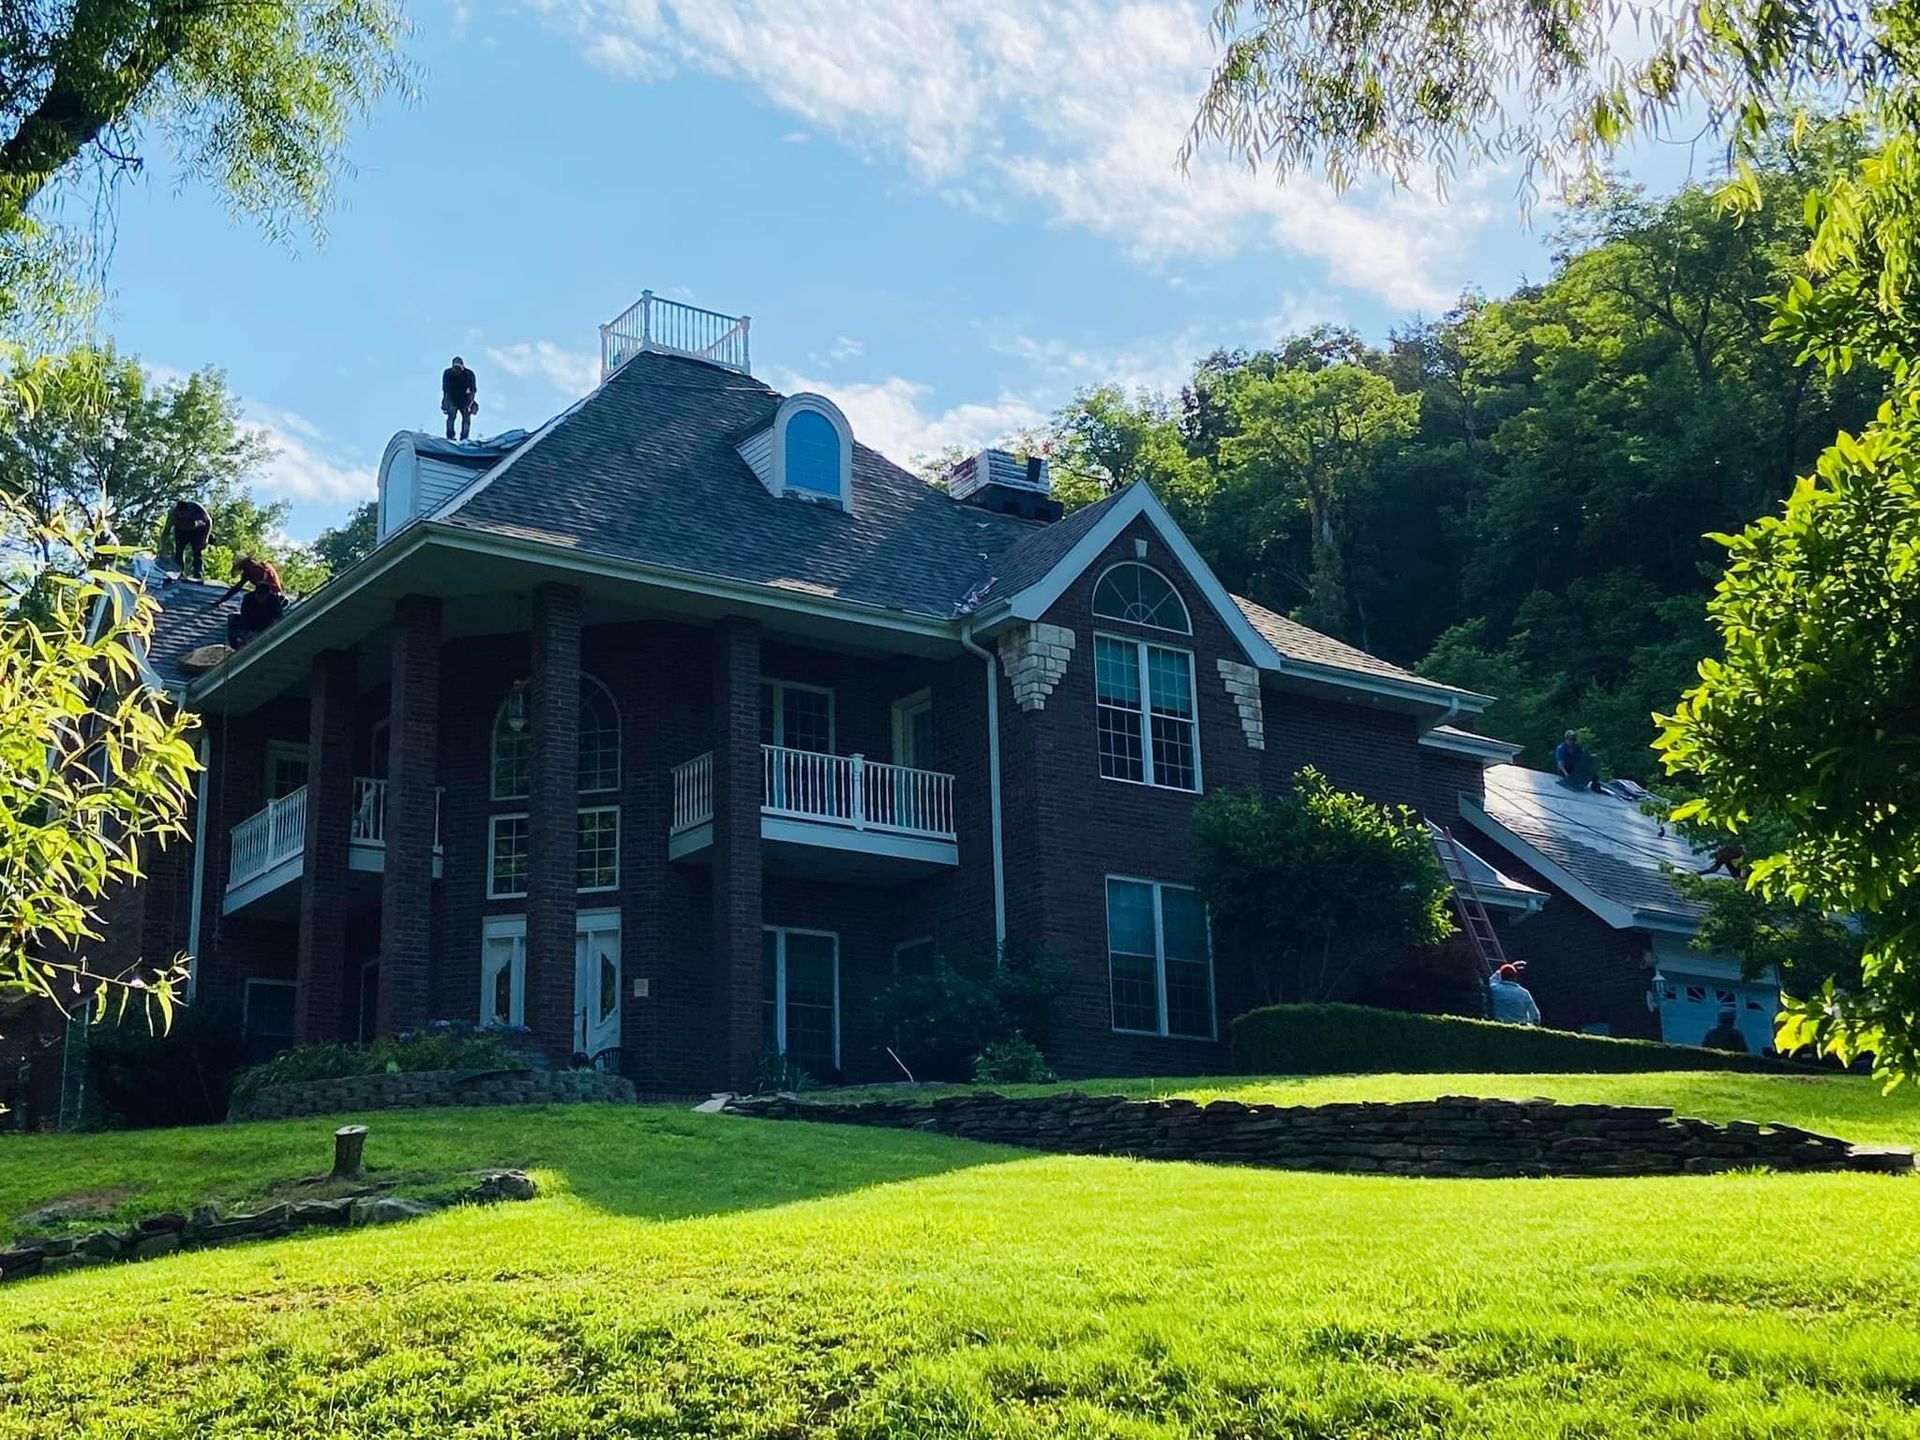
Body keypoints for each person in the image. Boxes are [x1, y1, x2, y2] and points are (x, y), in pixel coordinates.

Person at [214, 554, 286, 647]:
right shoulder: (249, 572)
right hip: (263, 597)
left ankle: (250, 634)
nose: (243, 570)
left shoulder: (259, 570)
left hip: (273, 599)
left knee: (255, 613)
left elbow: (267, 588)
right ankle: (243, 636)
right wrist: (222, 599)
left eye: (242, 567)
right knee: (244, 611)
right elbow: (237, 587)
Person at [164, 499, 212, 579]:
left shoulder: (196, 508)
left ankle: (198, 573)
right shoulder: (173, 514)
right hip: (181, 530)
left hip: (196, 529)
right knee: (179, 551)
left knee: (197, 551)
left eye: (184, 513)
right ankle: (179, 572)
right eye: (180, 514)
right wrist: (163, 544)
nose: (182, 515)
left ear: (188, 510)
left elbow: (209, 522)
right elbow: (167, 529)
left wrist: (205, 538)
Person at [441, 356, 478, 441]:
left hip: (465, 399)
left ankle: (464, 438)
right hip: (452, 398)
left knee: (466, 419)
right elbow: (445, 389)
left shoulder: (469, 374)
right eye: (455, 367)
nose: (457, 370)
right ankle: (450, 436)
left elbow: (473, 390)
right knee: (451, 417)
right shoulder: (448, 373)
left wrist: (470, 404)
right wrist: (445, 402)